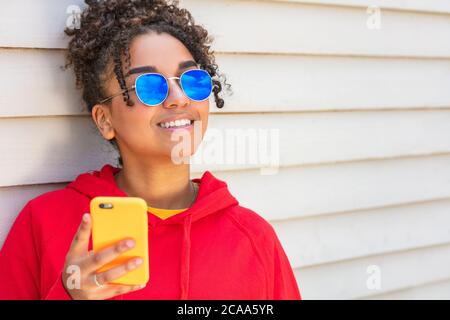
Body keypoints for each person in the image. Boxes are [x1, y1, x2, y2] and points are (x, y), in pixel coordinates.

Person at [0, 0, 301, 300]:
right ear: (105, 120)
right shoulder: (44, 222)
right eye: (150, 86)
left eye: (192, 80)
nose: (179, 98)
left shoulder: (253, 238)